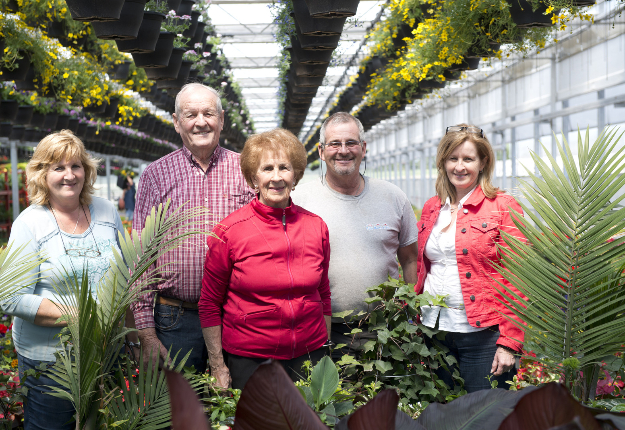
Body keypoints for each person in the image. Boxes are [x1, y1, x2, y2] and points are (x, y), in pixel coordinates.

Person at [1, 130, 127, 430]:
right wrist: (79, 317)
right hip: (51, 365)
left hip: (105, 354)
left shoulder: (107, 211)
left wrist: (133, 339)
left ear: (87, 170)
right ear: (43, 174)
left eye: (76, 166)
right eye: (58, 167)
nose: (69, 175)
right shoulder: (30, 223)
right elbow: (11, 296)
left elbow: (127, 274)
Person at [131, 83, 254, 373]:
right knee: (178, 412)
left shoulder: (245, 170)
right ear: (176, 122)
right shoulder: (156, 175)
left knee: (236, 409)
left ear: (221, 119)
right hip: (175, 320)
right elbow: (142, 255)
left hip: (235, 315)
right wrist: (147, 333)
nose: (201, 122)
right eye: (191, 114)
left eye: (208, 113)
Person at [199, 128, 331, 390]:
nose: (276, 177)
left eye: (284, 168)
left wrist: (324, 352)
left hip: (308, 354)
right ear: (252, 178)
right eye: (267, 168)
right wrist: (217, 365)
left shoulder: (316, 227)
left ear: (296, 175)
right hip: (251, 360)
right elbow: (209, 304)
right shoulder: (230, 231)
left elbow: (323, 293)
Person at [292, 112, 419, 356]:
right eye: (334, 144)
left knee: (385, 395)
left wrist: (410, 316)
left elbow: (410, 258)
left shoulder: (392, 197)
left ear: (363, 147)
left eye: (350, 143)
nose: (343, 151)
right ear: (320, 151)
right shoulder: (300, 200)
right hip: (321, 329)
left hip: (385, 329)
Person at [415, 124, 525, 393]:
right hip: (434, 331)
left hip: (483, 335)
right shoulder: (432, 206)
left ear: (483, 162)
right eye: (453, 158)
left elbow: (519, 278)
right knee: (440, 414)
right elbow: (422, 268)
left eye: (468, 159)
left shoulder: (502, 206)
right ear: (443, 162)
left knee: (484, 413)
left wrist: (509, 342)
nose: (459, 167)